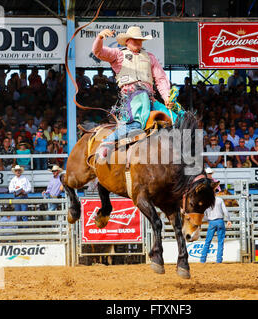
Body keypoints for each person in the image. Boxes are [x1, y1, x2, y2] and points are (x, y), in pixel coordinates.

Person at [92, 26, 181, 160]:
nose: (138, 42)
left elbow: (160, 78)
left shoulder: (149, 57)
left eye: (139, 40)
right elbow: (98, 52)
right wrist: (99, 38)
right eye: (135, 40)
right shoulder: (118, 54)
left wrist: (167, 97)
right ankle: (108, 140)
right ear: (127, 41)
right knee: (137, 123)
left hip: (149, 99)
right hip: (132, 97)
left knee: (176, 119)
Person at [200, 188, 232, 264]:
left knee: (208, 241)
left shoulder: (207, 201)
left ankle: (203, 259)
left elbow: (204, 215)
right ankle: (219, 260)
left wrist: (208, 219)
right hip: (220, 221)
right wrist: (228, 220)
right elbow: (225, 211)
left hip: (211, 222)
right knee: (220, 241)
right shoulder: (219, 200)